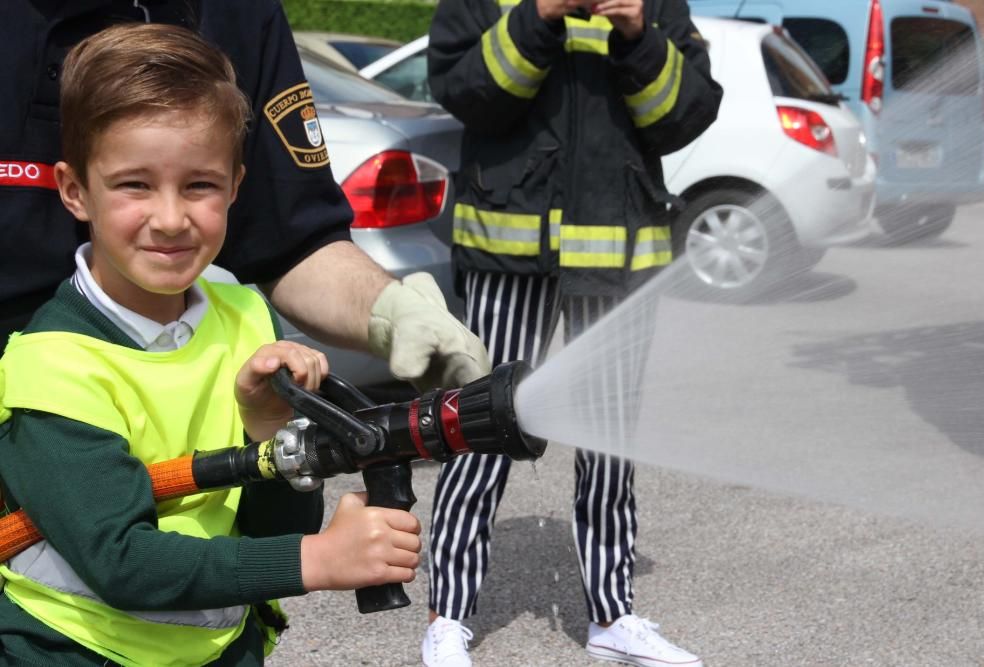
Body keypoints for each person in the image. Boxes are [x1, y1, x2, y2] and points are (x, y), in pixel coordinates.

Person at [0, 23, 423, 666]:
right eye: (134, 185)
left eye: (198, 185)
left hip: (218, 649)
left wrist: (269, 436)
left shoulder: (246, 315)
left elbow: (276, 526)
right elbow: (122, 563)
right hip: (67, 652)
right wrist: (318, 561)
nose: (171, 218)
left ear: (235, 186)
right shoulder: (48, 364)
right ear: (74, 191)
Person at [421, 0, 723, 665]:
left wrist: (640, 34)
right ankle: (448, 616)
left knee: (609, 442)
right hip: (510, 252)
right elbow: (464, 93)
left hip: (616, 255)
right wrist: (542, 14)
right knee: (478, 430)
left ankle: (613, 618)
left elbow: (687, 114)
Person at [2, 0, 489, 392]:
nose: (170, 219)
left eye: (198, 185)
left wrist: (390, 312)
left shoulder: (239, 13)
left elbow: (294, 237)